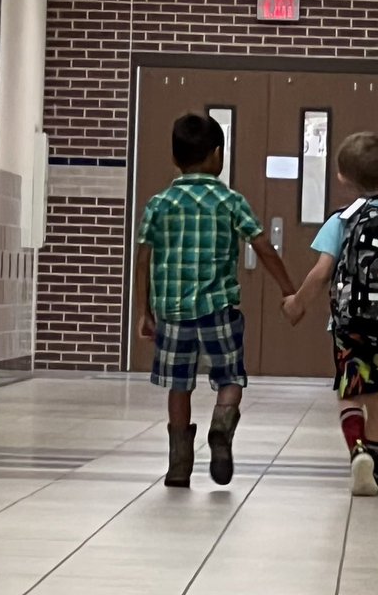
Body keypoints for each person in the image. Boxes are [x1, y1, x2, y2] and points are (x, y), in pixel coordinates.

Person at [135, 112, 299, 490]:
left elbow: (143, 259)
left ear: (176, 158)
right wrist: (288, 289)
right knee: (230, 377)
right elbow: (263, 246)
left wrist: (144, 311)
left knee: (179, 386)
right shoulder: (229, 200)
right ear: (217, 155)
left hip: (173, 313)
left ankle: (179, 464)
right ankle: (222, 426)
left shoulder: (159, 204)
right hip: (219, 309)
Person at [283, 132, 378, 497]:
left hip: (348, 325)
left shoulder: (342, 221)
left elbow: (321, 273)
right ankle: (376, 470)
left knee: (351, 394)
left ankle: (357, 452)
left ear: (341, 177)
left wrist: (297, 304)